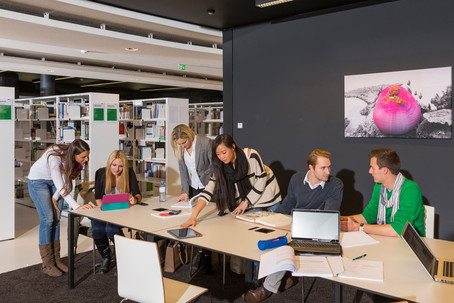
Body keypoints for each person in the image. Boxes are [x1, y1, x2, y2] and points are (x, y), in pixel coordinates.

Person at [243, 149, 344, 303]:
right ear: (311, 167)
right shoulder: (296, 179)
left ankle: (267, 288)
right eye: (323, 168)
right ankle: (281, 277)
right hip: (295, 225)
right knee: (266, 236)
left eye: (329, 167)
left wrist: (297, 224)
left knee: (286, 247)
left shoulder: (335, 185)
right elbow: (288, 204)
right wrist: (271, 220)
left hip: (318, 231)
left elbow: (327, 215)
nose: (328, 172)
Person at [181, 133, 282, 228]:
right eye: (218, 154)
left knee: (278, 227)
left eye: (224, 152)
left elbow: (261, 180)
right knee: (255, 230)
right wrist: (193, 217)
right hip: (250, 199)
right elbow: (208, 190)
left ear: (233, 147)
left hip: (266, 191)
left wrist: (245, 202)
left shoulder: (251, 155)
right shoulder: (219, 166)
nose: (221, 157)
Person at [28, 139, 94, 277]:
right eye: (83, 157)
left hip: (55, 184)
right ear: (74, 154)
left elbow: (66, 182)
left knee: (57, 219)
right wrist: (78, 207)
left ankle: (56, 260)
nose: (86, 159)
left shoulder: (73, 160)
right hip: (38, 181)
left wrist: (55, 196)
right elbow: (60, 183)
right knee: (48, 219)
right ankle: (47, 264)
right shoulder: (55, 158)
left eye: (87, 156)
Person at [340, 148, 425, 237]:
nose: (370, 171)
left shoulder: (411, 190)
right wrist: (342, 220)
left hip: (410, 244)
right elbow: (369, 215)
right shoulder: (379, 186)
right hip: (387, 240)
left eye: (372, 168)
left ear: (385, 170)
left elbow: (398, 230)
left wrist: (358, 227)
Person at [92, 150, 142, 274]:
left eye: (120, 166)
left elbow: (138, 195)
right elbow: (98, 198)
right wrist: (104, 211)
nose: (117, 169)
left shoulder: (129, 173)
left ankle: (123, 258)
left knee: (110, 229)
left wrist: (134, 199)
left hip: (123, 212)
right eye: (114, 165)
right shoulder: (101, 173)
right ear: (109, 164)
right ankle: (106, 258)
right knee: (97, 228)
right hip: (105, 211)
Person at [170, 124, 212, 202]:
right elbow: (183, 172)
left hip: (209, 187)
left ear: (189, 136)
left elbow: (215, 167)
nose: (182, 146)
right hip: (193, 189)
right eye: (179, 144)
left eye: (184, 142)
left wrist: (213, 186)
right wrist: (185, 192)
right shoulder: (181, 149)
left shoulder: (206, 143)